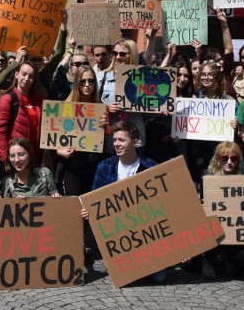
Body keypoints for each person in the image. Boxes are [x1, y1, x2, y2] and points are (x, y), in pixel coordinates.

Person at [85, 121, 163, 281]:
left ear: (135, 142)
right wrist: (88, 210)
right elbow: (94, 199)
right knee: (126, 275)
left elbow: (164, 203)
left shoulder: (151, 168)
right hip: (118, 233)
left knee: (158, 278)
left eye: (121, 140)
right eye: (114, 140)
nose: (116, 144)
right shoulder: (105, 167)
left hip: (146, 231)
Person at [198, 141, 244, 278]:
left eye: (234, 158)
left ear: (238, 160)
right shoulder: (208, 181)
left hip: (236, 233)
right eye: (225, 158)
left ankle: (232, 264)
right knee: (220, 266)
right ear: (218, 159)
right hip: (216, 235)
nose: (229, 162)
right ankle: (211, 260)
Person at [54, 65, 106, 196]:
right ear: (77, 83)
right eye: (83, 81)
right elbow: (53, 137)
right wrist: (59, 151)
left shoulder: (101, 107)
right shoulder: (66, 107)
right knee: (74, 202)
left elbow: (103, 143)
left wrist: (104, 128)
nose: (87, 85)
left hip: (93, 163)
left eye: (91, 81)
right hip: (72, 164)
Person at [0, 61, 44, 164]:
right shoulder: (7, 100)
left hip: (33, 159)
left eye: (31, 76)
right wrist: (5, 159)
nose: (26, 79)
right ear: (16, 74)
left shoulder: (38, 101)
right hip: (15, 160)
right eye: (24, 74)